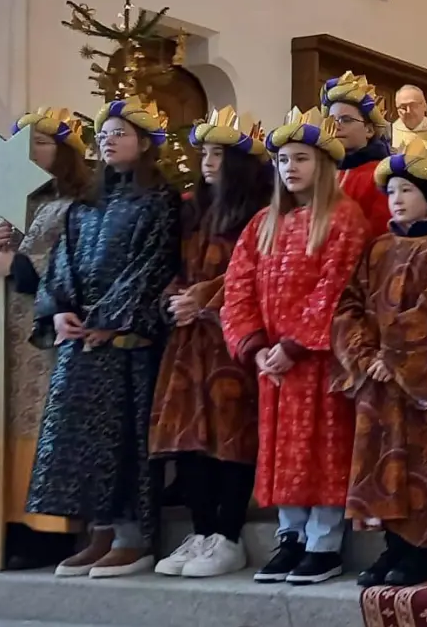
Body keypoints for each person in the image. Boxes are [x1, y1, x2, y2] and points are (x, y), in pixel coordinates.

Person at [29, 98, 181, 579]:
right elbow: (60, 267)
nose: (109, 140)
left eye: (121, 133)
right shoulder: (84, 207)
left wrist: (109, 319)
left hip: (125, 343)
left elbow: (153, 267)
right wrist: (59, 314)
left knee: (123, 440)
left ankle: (132, 539)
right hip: (80, 342)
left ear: (144, 144)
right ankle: (97, 531)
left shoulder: (160, 200)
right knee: (79, 442)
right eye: (105, 134)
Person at [222, 108, 371, 585]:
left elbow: (336, 286)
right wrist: (255, 345)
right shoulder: (263, 223)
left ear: (323, 164)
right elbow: (237, 287)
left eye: (301, 159)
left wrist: (295, 344)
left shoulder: (343, 218)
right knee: (282, 450)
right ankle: (290, 536)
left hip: (319, 359)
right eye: (284, 160)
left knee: (323, 447)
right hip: (274, 363)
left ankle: (324, 542)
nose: (291, 168)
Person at [0, 108, 93, 571]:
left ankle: (48, 534)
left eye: (43, 145)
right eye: (26, 146)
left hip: (43, 332)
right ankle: (3, 526)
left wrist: (23, 270)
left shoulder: (76, 204)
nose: (32, 154)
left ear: (65, 154)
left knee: (40, 426)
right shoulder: (3, 203)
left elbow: (81, 265)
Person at [150, 109, 273, 579]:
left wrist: (206, 298)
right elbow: (174, 270)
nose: (207, 162)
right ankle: (200, 531)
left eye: (218, 154)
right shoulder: (191, 211)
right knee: (189, 435)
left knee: (230, 433)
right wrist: (176, 299)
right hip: (189, 339)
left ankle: (229, 533)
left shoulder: (259, 213)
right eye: (205, 153)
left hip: (232, 337)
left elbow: (253, 271)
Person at [335, 139, 427, 587]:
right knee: (379, 463)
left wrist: (395, 356)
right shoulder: (379, 247)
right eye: (391, 192)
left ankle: (422, 552)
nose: (397, 199)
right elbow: (350, 303)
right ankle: (392, 548)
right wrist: (364, 354)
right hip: (376, 377)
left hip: (416, 377)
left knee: (418, 462)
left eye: (407, 190)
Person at [322, 71, 393, 230]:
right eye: (332, 120)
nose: (337, 126)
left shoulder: (380, 175)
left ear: (369, 130)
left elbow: (380, 231)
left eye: (346, 120)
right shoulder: (319, 172)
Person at [392, 85, 427, 153]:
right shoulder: (390, 133)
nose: (408, 111)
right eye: (403, 107)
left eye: (413, 105)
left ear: (424, 106)